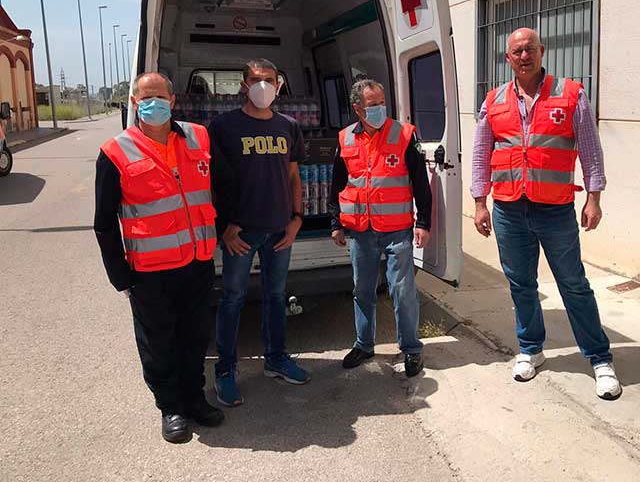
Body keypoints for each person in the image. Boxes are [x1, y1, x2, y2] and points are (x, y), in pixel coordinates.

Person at [471, 28, 621, 400]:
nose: (524, 56)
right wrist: (479, 202)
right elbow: (480, 154)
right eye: (516, 51)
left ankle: (599, 358)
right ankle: (530, 350)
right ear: (508, 59)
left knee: (573, 283)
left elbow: (590, 147)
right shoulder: (494, 101)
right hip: (508, 209)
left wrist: (594, 197)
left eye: (530, 49)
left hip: (554, 210)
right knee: (521, 285)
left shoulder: (570, 95)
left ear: (542, 51)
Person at [94, 72, 224, 443]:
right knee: (159, 342)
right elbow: (104, 223)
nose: (154, 104)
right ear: (134, 103)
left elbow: (218, 187)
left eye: (160, 96)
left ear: (173, 99)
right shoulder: (115, 152)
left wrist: (225, 230)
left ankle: (195, 399)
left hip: (197, 262)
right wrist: (120, 276)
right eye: (145, 98)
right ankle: (171, 408)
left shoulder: (199, 136)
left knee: (196, 336)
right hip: (150, 271)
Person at [209, 58, 308, 407]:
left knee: (276, 297)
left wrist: (297, 220)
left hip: (280, 230)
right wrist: (224, 228)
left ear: (279, 85)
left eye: (269, 79)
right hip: (241, 234)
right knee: (233, 299)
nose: (262, 85)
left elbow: (294, 177)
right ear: (243, 85)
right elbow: (211, 182)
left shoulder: (288, 127)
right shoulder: (223, 127)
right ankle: (225, 371)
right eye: (255, 79)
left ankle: (276, 359)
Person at [329, 78, 432, 378]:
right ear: (357, 108)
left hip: (397, 229)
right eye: (373, 105)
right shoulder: (346, 139)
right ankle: (364, 344)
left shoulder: (403, 134)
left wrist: (423, 221)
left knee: (402, 291)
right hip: (361, 232)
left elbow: (420, 184)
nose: (379, 109)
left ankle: (411, 349)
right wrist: (336, 223)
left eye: (382, 103)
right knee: (362, 290)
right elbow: (337, 185)